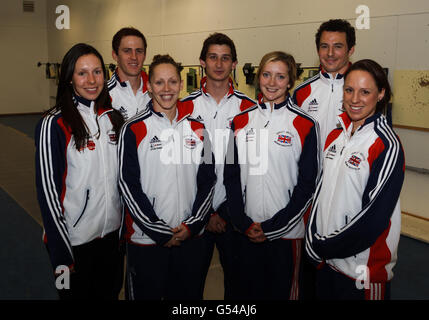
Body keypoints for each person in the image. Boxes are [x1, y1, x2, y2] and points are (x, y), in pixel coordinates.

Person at [118, 54, 216, 300]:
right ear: (149, 86)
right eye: (159, 83)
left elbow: (208, 180)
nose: (166, 89)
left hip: (190, 239)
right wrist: (159, 231)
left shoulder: (199, 129)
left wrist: (192, 225)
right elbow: (128, 186)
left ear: (181, 85)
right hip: (146, 240)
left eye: (172, 82)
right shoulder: (133, 129)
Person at [223, 51, 320, 300]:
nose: (272, 82)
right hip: (246, 232)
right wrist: (243, 223)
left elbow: (307, 184)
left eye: (280, 76)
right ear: (258, 77)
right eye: (266, 74)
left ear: (290, 81)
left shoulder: (305, 124)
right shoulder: (239, 121)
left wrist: (272, 227)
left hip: (286, 235)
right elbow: (230, 176)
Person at [305, 59, 405, 300]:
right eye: (349, 90)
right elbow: (318, 195)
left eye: (365, 92)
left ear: (381, 94)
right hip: (327, 265)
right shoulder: (335, 136)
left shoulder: (386, 145)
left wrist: (324, 247)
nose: (355, 99)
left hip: (363, 273)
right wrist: (313, 241)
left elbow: (374, 219)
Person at [35, 43, 125, 299]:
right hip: (74, 242)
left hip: (111, 240)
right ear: (69, 78)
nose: (91, 80)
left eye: (97, 72)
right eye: (82, 73)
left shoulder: (114, 119)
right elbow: (47, 194)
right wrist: (61, 253)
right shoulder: (53, 123)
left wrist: (121, 235)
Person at [181, 32, 255, 299]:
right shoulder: (182, 108)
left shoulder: (250, 109)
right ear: (202, 61)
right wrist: (204, 213)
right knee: (188, 290)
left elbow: (251, 168)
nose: (219, 64)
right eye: (213, 57)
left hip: (233, 217)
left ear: (234, 64)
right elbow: (179, 167)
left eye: (225, 58)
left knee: (239, 290)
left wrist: (224, 212)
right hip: (193, 216)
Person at [292, 18, 356, 299]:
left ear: (350, 50)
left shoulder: (361, 91)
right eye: (324, 47)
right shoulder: (302, 93)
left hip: (348, 197)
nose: (330, 53)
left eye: (338, 46)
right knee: (308, 272)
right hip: (308, 196)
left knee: (343, 271)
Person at [108, 27, 151, 120]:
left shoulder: (157, 92)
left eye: (139, 51)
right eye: (127, 51)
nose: (134, 57)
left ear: (144, 55)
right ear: (115, 55)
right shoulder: (104, 95)